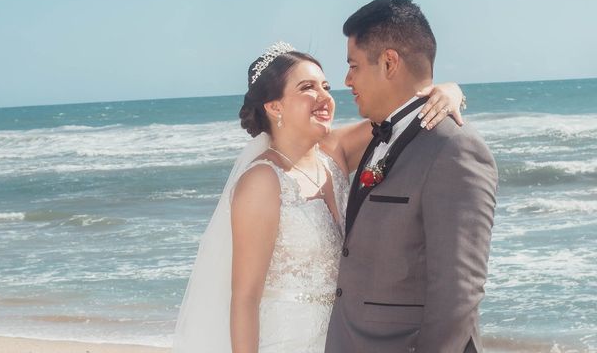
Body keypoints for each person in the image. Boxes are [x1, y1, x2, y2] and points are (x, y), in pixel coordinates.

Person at [173, 41, 464, 353]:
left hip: (345, 340)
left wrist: (449, 91)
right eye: (307, 87)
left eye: (325, 86)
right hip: (288, 342)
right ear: (274, 106)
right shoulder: (263, 181)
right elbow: (245, 298)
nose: (325, 96)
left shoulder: (333, 155)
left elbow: (405, 117)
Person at [325, 0, 498, 353]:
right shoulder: (381, 135)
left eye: (353, 66)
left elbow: (459, 290)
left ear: (389, 62)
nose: (346, 80)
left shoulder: (454, 148)